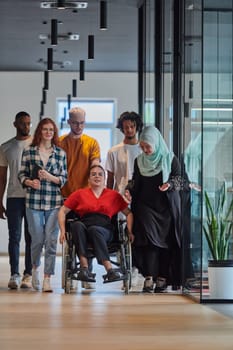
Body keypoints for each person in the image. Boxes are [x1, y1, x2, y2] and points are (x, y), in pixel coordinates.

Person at [58, 164, 134, 284]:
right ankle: (84, 268)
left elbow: (128, 213)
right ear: (88, 179)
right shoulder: (80, 194)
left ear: (104, 178)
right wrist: (62, 231)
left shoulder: (113, 195)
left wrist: (129, 231)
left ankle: (109, 270)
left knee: (94, 230)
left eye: (100, 174)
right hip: (84, 228)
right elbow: (62, 211)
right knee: (76, 225)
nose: (97, 177)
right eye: (93, 174)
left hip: (105, 230)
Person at [128, 125, 181, 293]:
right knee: (150, 242)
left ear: (156, 143)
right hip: (145, 207)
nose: (145, 150)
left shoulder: (170, 159)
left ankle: (162, 278)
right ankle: (149, 277)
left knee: (165, 243)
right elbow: (135, 182)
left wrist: (170, 184)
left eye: (147, 146)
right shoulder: (139, 161)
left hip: (166, 209)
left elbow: (180, 180)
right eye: (142, 147)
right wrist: (128, 190)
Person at [18, 118, 67, 292]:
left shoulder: (60, 153)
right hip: (33, 202)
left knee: (51, 240)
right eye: (45, 129)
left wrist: (49, 177)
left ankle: (48, 278)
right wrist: (29, 182)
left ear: (54, 133)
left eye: (51, 130)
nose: (48, 132)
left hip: (54, 203)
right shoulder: (29, 151)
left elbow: (63, 178)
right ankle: (34, 269)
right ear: (40, 131)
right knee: (37, 240)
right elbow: (21, 175)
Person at [59, 106, 101, 289]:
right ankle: (72, 270)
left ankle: (87, 270)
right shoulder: (60, 142)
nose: (79, 126)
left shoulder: (92, 142)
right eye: (75, 122)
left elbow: (95, 165)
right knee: (70, 237)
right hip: (66, 195)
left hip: (86, 197)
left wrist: (97, 181)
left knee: (87, 232)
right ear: (69, 122)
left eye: (82, 122)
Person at [105, 111, 143, 287]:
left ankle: (137, 269)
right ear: (122, 128)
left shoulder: (144, 149)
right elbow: (110, 180)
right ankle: (126, 269)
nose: (129, 129)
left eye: (132, 126)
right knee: (123, 236)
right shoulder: (114, 151)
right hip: (120, 198)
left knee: (138, 233)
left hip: (141, 197)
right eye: (126, 127)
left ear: (137, 127)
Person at [0, 111, 33, 289]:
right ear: (15, 124)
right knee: (14, 237)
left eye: (28, 123)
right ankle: (15, 274)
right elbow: (2, 178)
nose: (26, 127)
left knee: (31, 237)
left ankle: (28, 274)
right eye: (22, 123)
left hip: (32, 198)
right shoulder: (6, 147)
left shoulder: (36, 144)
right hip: (13, 197)